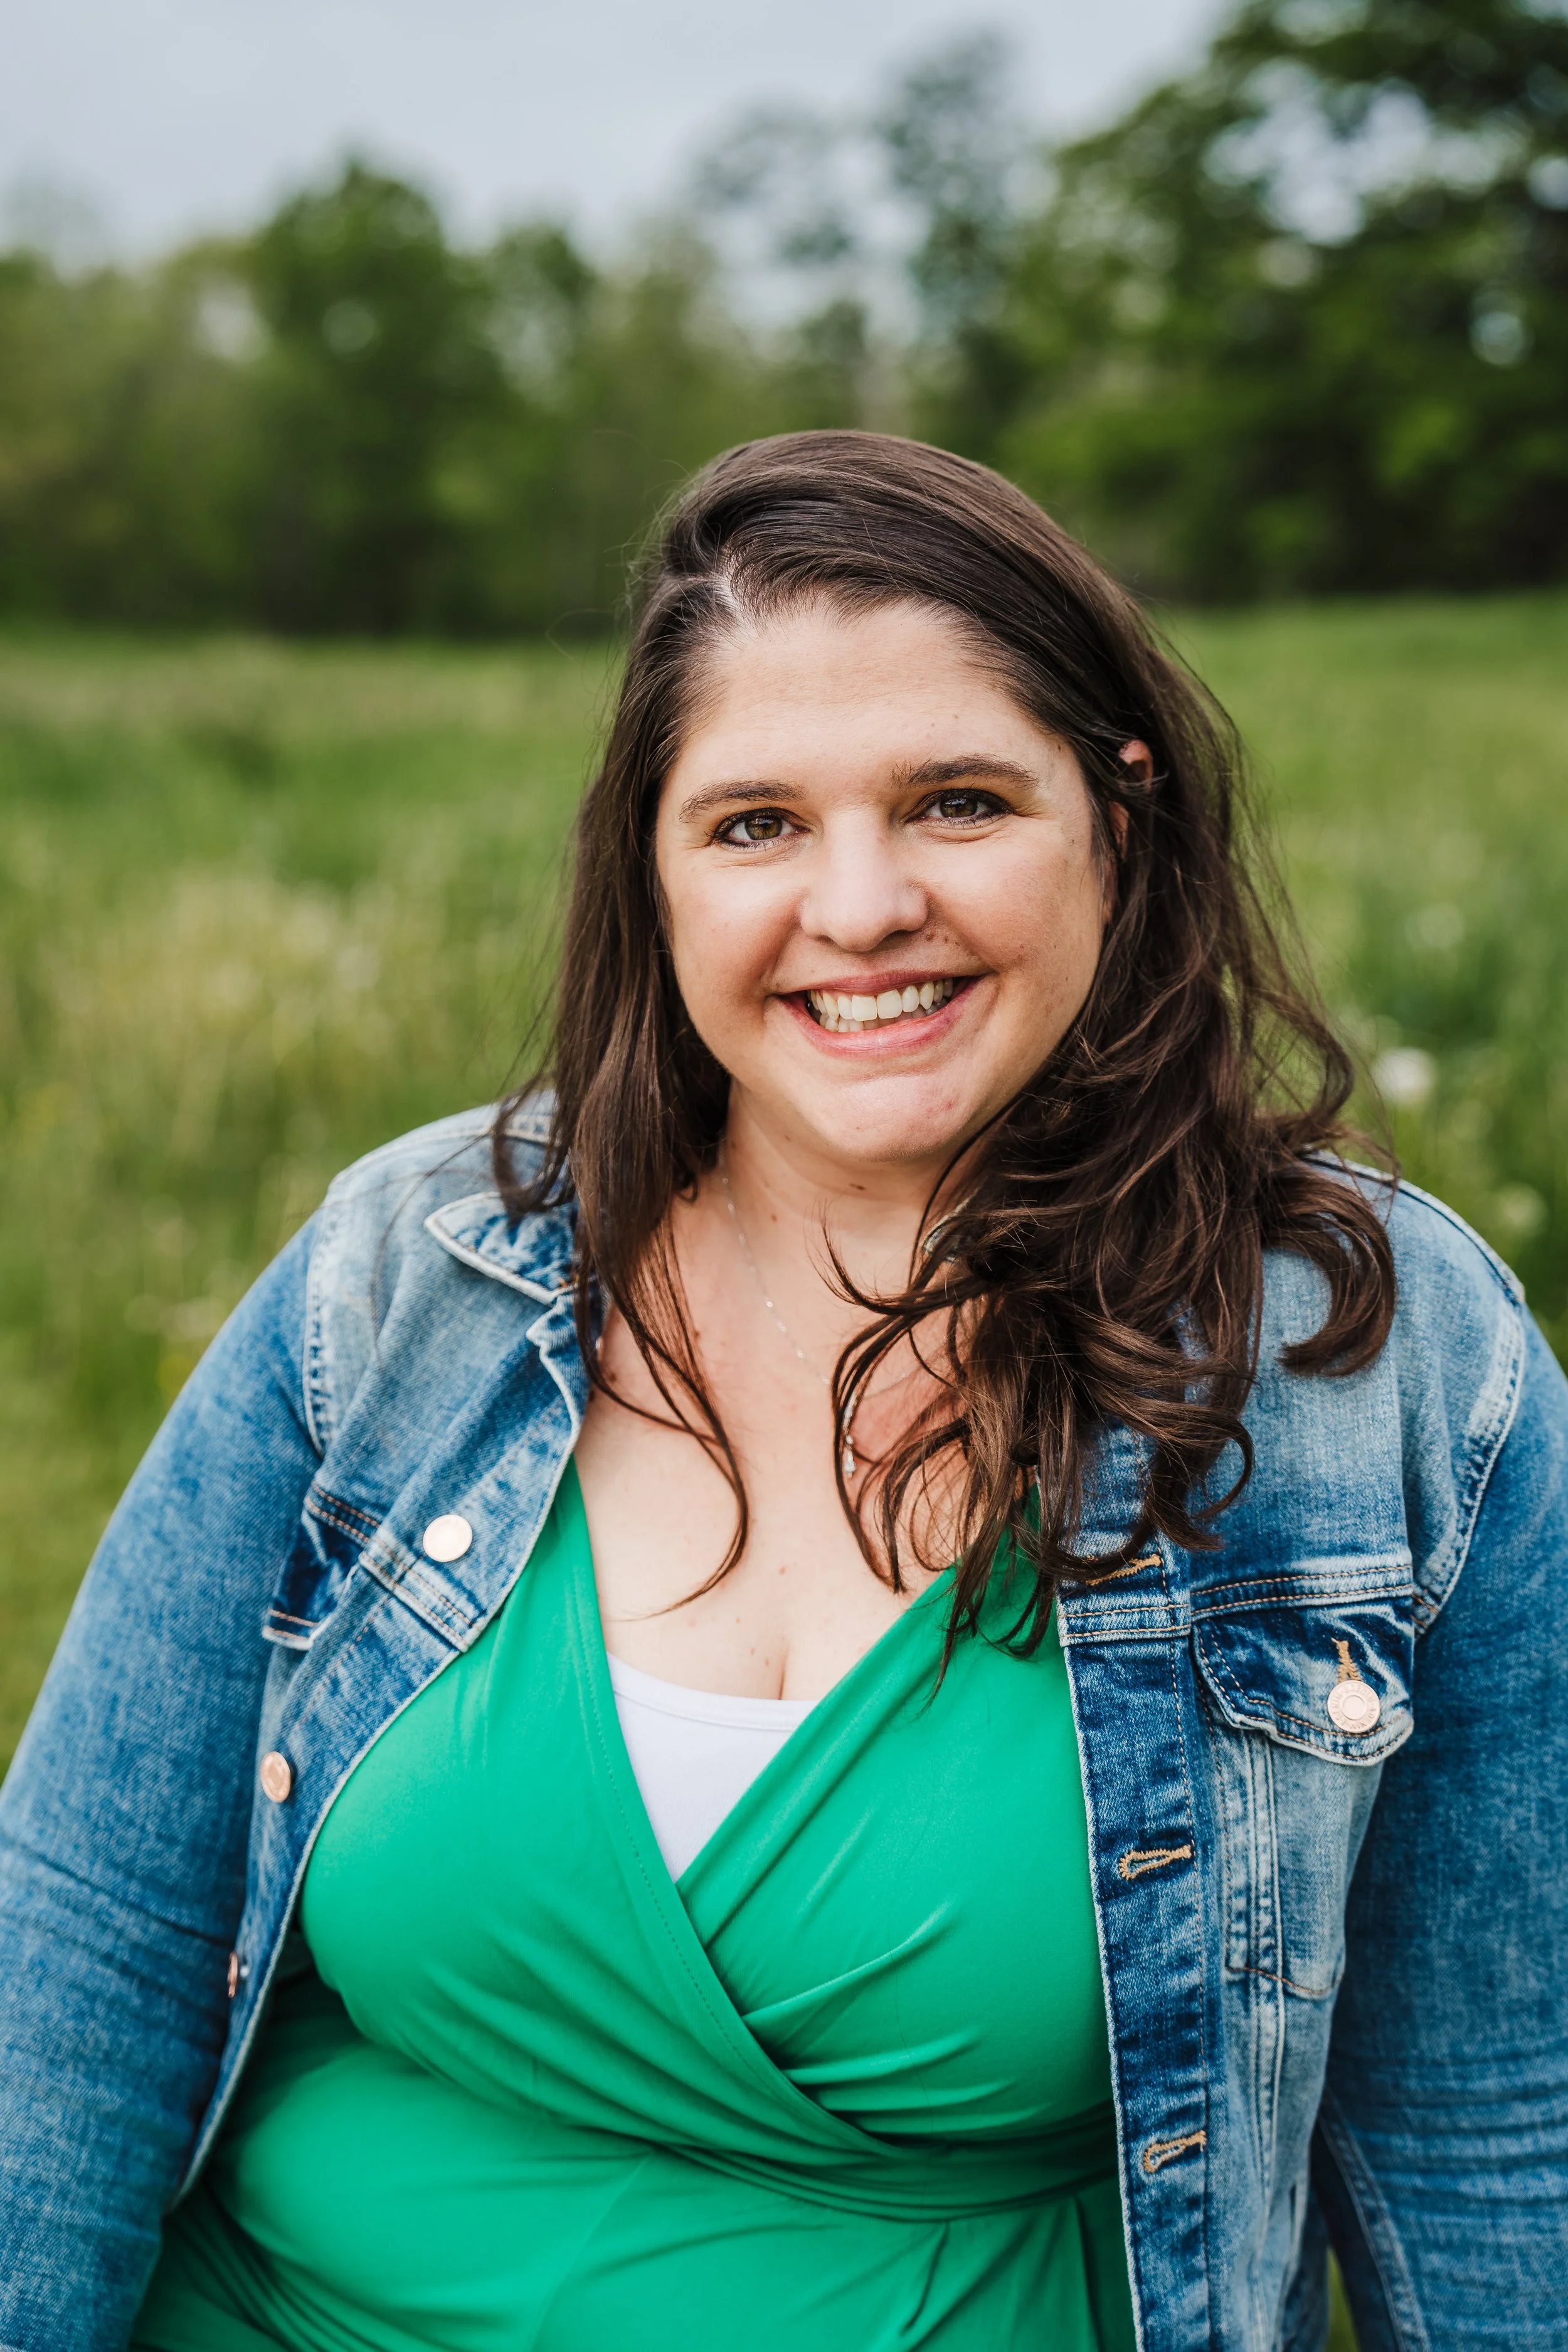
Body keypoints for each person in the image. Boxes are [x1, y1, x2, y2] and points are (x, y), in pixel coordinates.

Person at [1, 433, 1564, 2352]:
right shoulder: (411, 1275)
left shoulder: (1377, 1360)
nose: (859, 903)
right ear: (653, 870)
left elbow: (1495, 2119)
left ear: (1120, 815)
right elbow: (87, 1944)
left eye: (958, 801)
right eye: (752, 824)